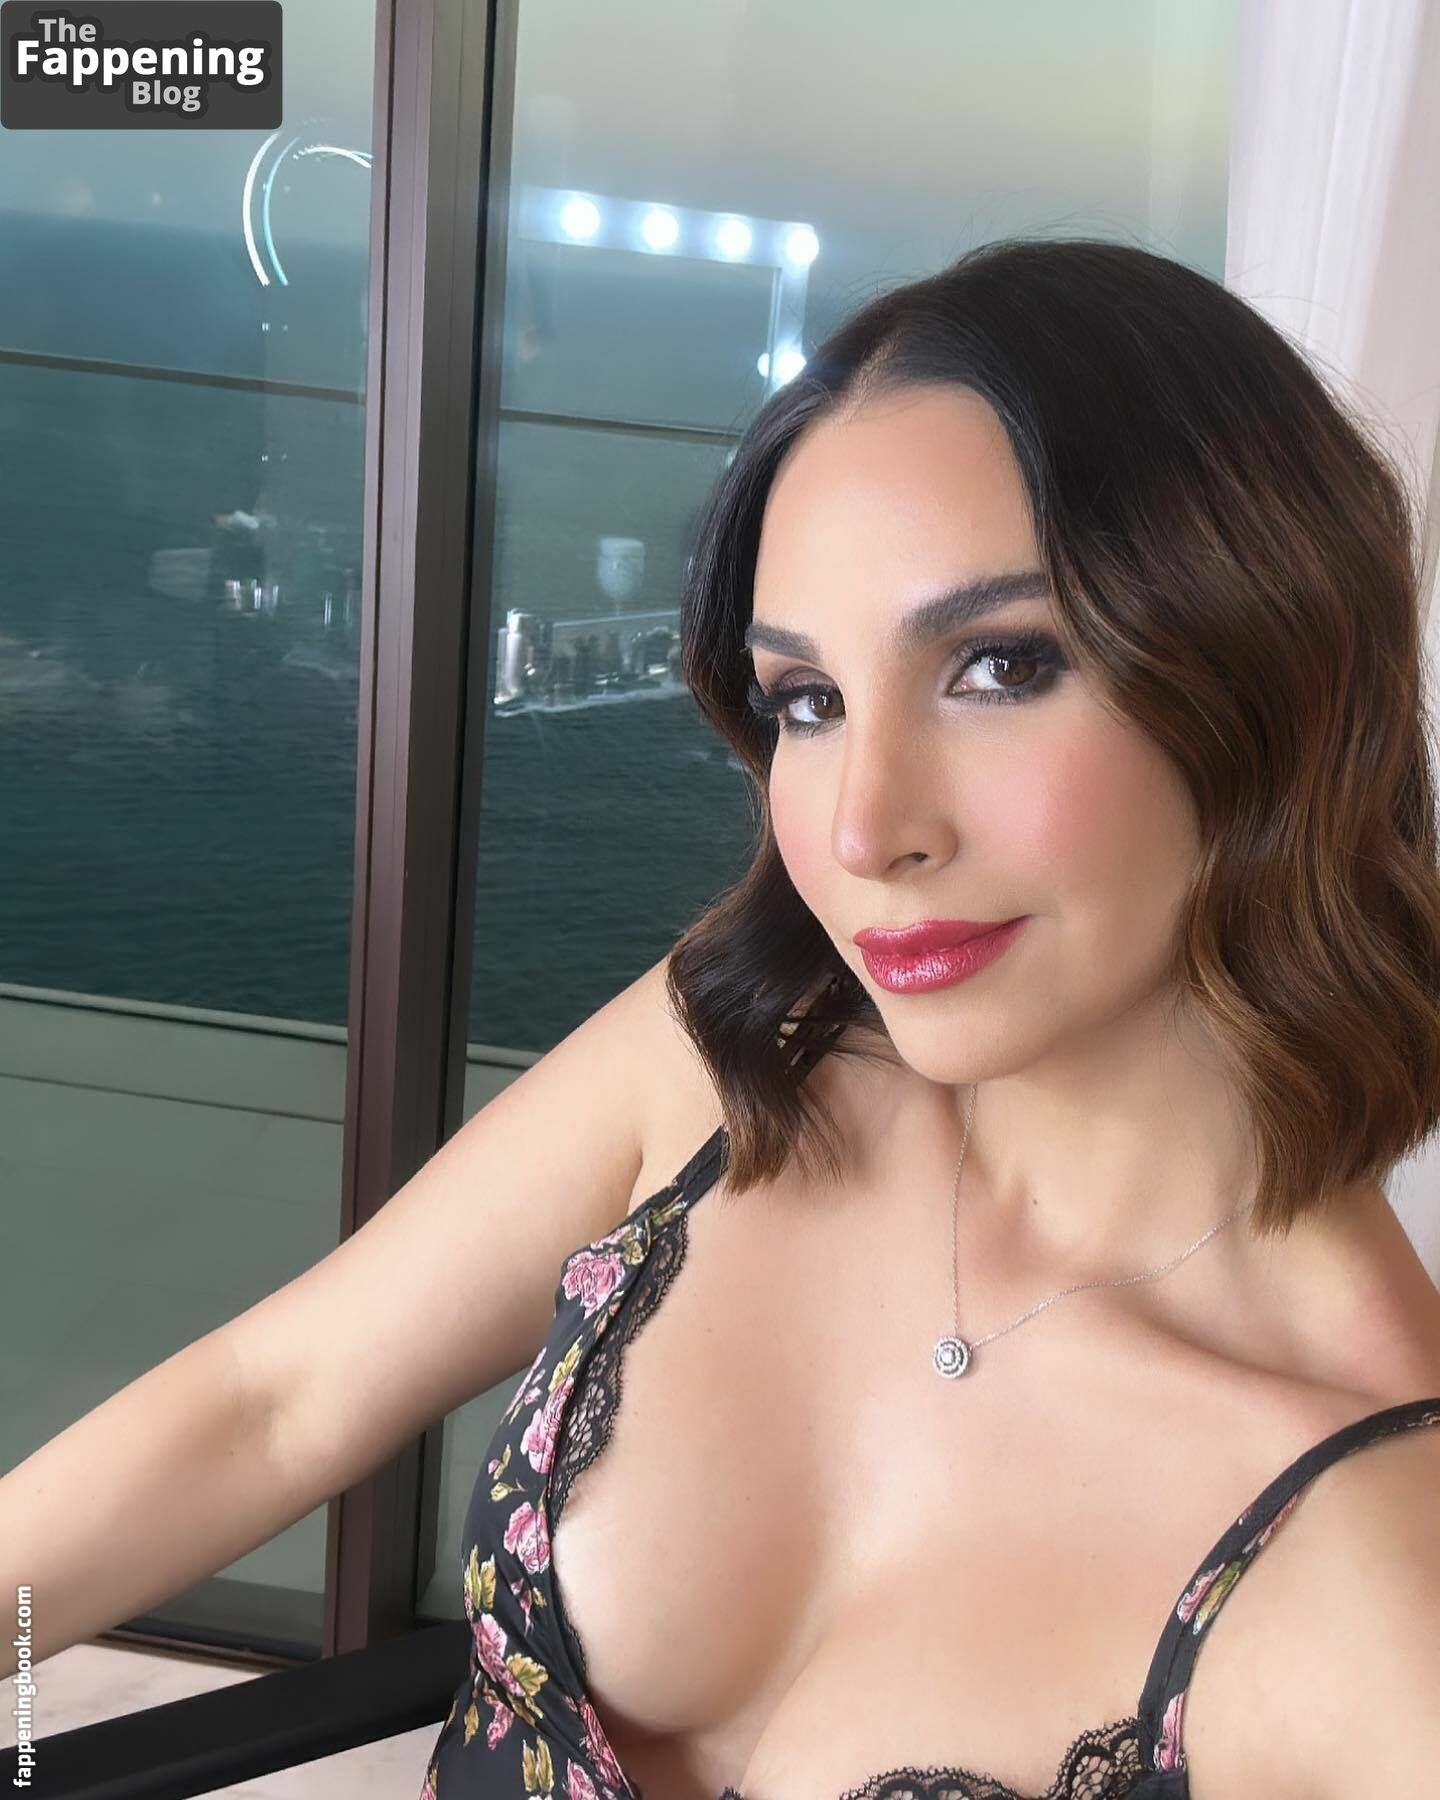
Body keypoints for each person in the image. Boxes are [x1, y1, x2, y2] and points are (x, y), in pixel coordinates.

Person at [4, 238, 1438, 1800]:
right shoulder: (751, 1050)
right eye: (808, 701)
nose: (863, 827)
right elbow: (270, 1408)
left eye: (1001, 666)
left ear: (1276, 677)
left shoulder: (1380, 1576)